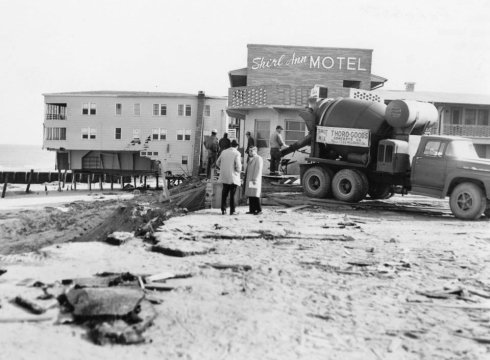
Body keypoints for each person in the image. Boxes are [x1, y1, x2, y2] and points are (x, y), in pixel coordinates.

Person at [216, 139, 242, 215]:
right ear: (237, 146)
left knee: (224, 193)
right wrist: (238, 171)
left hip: (224, 176)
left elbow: (217, 163)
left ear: (231, 144)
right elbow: (238, 166)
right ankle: (232, 210)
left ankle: (223, 210)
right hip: (233, 177)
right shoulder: (237, 153)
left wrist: (223, 168)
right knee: (232, 194)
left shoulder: (224, 152)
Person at [244, 146, 263, 215]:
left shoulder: (258, 158)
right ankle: (252, 209)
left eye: (252, 150)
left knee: (255, 195)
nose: (250, 152)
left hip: (254, 179)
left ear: (256, 151)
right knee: (250, 195)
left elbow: (258, 169)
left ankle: (259, 210)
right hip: (250, 178)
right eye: (249, 150)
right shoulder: (250, 158)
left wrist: (255, 178)